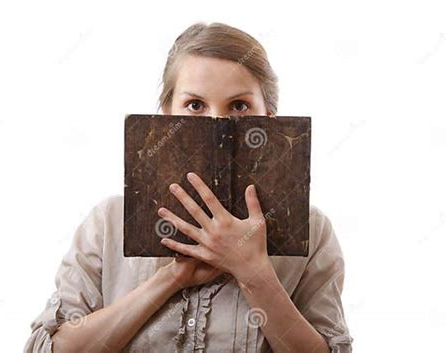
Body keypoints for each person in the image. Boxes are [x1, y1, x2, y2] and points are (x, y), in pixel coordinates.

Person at [24, 22, 354, 353]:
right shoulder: (108, 222)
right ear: (166, 115)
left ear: (268, 118)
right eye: (195, 105)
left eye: (239, 105)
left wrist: (253, 272)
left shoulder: (312, 230)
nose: (216, 124)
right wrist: (171, 278)